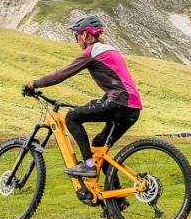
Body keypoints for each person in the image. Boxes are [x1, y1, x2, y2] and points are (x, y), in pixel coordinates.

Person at [23, 14, 142, 178]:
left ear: (85, 35)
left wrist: (33, 84)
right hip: (132, 108)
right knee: (99, 146)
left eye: (76, 36)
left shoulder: (92, 52)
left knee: (72, 117)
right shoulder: (110, 50)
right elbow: (118, 82)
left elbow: (61, 75)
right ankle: (115, 193)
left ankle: (88, 165)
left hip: (119, 102)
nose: (76, 41)